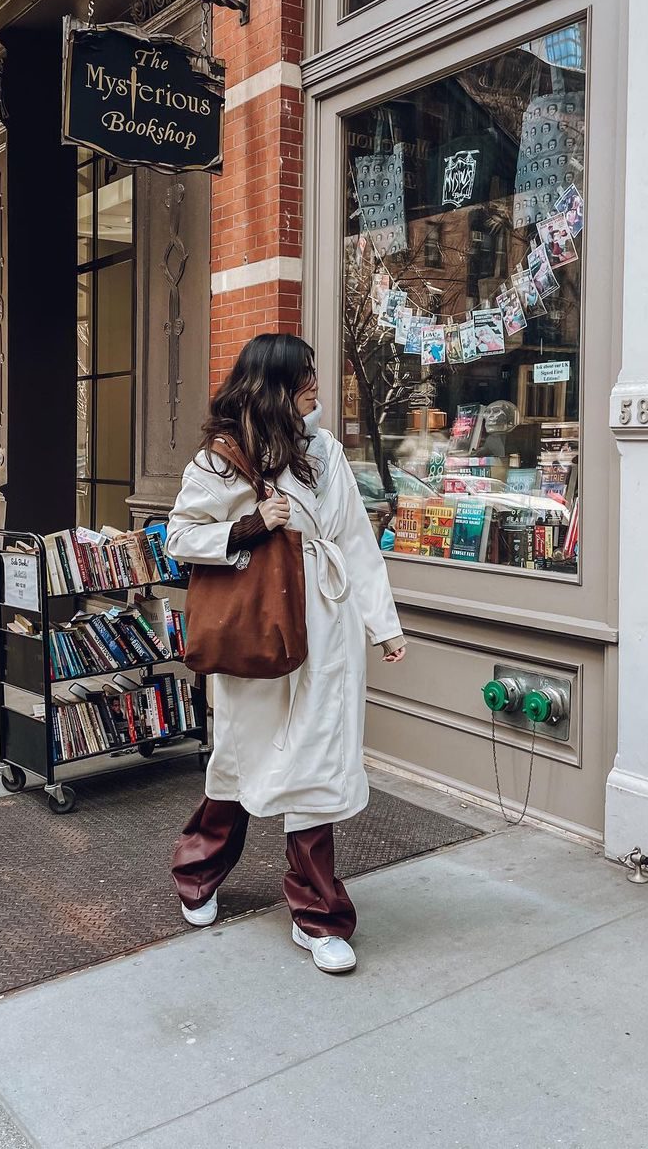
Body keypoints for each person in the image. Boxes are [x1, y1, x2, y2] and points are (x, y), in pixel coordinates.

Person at [166, 333, 406, 975]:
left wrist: (383, 625)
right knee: (242, 762)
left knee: (315, 768)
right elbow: (179, 537)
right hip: (259, 626)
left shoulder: (323, 450)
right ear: (273, 384)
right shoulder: (220, 459)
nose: (316, 385)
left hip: (325, 626)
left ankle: (318, 916)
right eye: (305, 375)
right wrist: (251, 526)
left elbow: (354, 540)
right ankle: (197, 871)